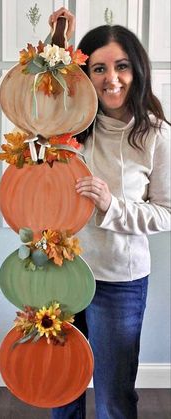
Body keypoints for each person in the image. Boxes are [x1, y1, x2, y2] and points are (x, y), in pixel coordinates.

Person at [49, 7, 171, 419]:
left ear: (136, 70)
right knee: (61, 391)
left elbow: (166, 213)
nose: (111, 78)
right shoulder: (69, 124)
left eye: (121, 66)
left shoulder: (156, 133)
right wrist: (56, 47)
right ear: (85, 75)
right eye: (98, 68)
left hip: (119, 280)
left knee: (114, 399)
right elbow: (5, 95)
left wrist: (110, 205)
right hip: (61, 273)